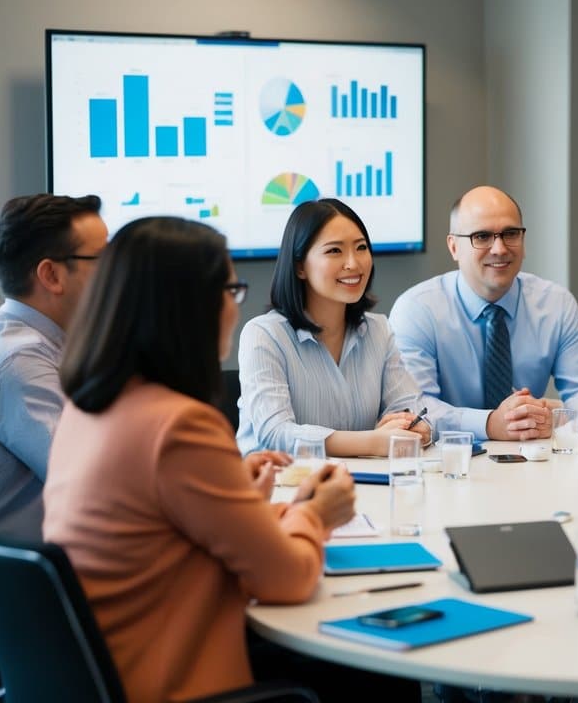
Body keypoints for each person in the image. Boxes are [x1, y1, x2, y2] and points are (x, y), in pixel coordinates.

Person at [42, 217, 361, 702]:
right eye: (230, 290)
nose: (235, 307)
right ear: (191, 306)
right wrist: (315, 514)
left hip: (108, 671)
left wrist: (245, 500)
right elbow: (288, 579)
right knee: (366, 663)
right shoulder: (179, 426)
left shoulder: (87, 407)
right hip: (177, 680)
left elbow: (166, 534)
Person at [0, 194, 106, 540]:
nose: (117, 274)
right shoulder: (18, 362)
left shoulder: (14, 336)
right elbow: (98, 490)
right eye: (103, 259)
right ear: (52, 275)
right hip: (15, 586)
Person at [389, 185, 578, 441]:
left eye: (510, 234)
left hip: (532, 462)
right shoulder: (417, 309)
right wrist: (489, 424)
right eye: (482, 236)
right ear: (453, 247)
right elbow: (414, 408)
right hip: (449, 464)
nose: (500, 248)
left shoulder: (555, 304)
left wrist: (554, 418)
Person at [238, 199, 430, 456]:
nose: (353, 263)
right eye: (334, 251)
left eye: (361, 247)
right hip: (280, 487)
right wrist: (374, 441)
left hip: (362, 485)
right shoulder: (264, 335)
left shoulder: (378, 330)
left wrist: (414, 426)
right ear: (299, 266)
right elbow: (276, 433)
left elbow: (410, 408)